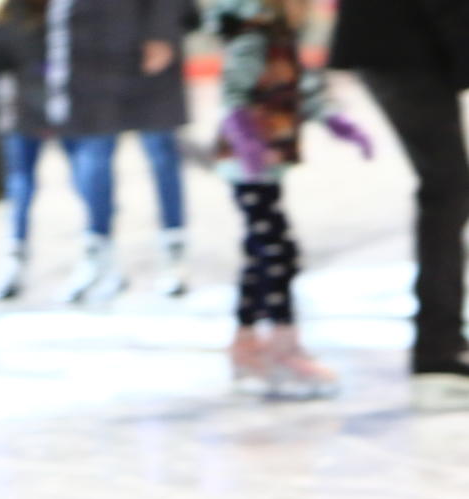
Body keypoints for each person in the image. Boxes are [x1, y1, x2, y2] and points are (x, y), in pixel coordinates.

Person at [208, 0, 372, 398]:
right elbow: (233, 94)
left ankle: (246, 343)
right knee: (279, 252)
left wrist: (337, 121)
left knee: (260, 252)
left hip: (266, 163)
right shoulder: (253, 37)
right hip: (248, 167)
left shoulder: (280, 39)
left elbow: (304, 87)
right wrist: (248, 143)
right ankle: (282, 345)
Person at [330, 0, 469, 409]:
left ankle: (442, 343)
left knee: (448, 187)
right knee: (448, 188)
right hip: (404, 46)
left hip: (402, 44)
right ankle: (438, 351)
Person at [0, 0, 131, 302]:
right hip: (34, 109)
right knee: (25, 183)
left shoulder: (52, 14)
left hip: (56, 107)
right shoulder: (14, 16)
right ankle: (18, 256)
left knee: (76, 177)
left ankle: (100, 253)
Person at [118, 0, 193, 297]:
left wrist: (161, 33)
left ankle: (174, 247)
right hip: (94, 55)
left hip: (149, 58)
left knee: (161, 154)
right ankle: (101, 252)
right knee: (92, 156)